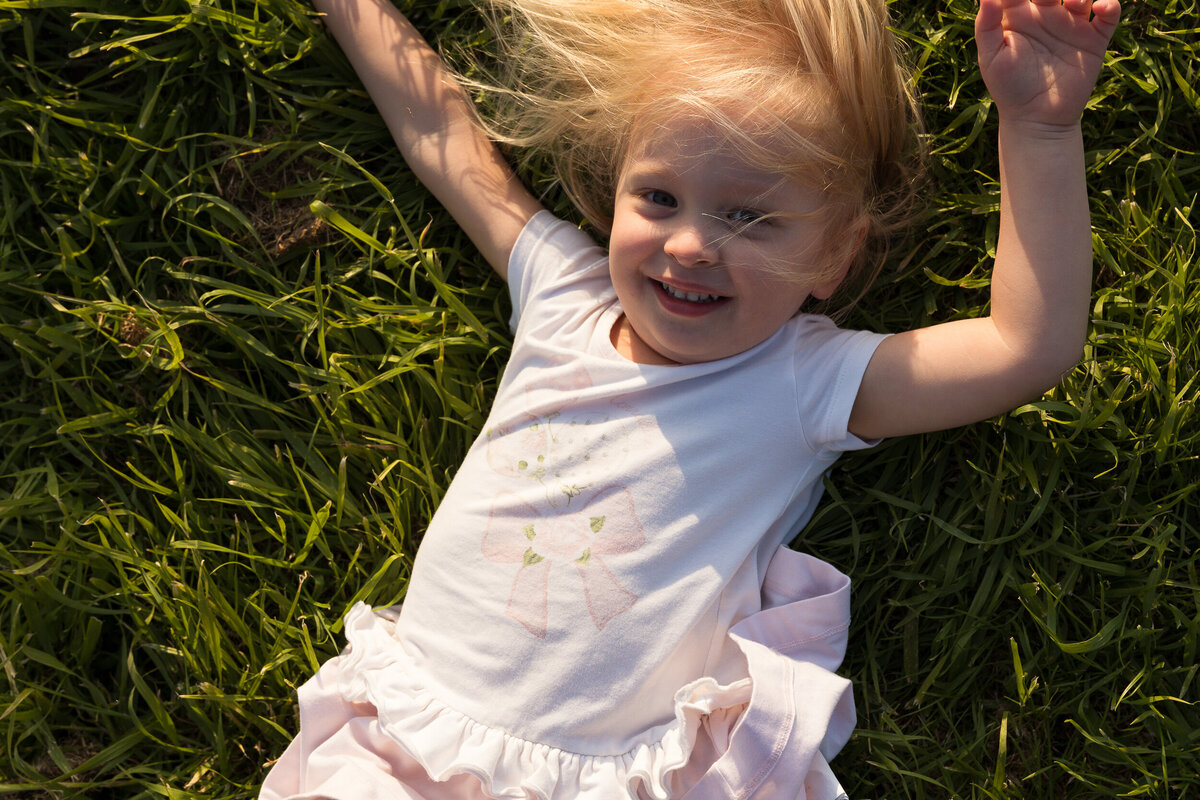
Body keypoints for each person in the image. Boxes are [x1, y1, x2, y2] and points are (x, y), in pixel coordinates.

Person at [260, 0, 1120, 796]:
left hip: (602, 777)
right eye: (660, 197)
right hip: (403, 740)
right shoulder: (565, 292)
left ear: (836, 257)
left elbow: (1023, 348)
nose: (690, 244)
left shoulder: (805, 380)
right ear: (617, 185)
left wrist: (1039, 126)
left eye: (750, 219)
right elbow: (439, 131)